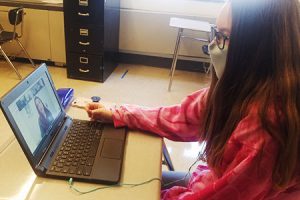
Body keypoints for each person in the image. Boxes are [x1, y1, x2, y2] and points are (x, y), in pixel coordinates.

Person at [85, 0, 300, 199]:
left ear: (258, 49)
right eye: (216, 33)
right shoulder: (237, 88)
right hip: (214, 178)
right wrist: (119, 113)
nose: (214, 46)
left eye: (224, 36)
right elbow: (180, 117)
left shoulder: (265, 129)